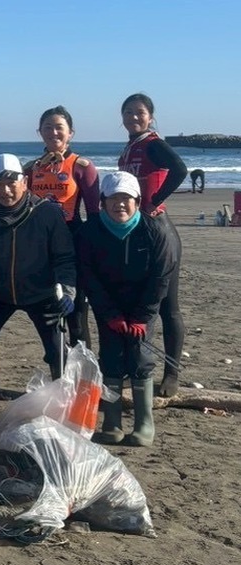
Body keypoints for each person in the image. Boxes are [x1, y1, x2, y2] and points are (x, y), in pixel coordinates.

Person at [0, 154, 76, 433]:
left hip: (42, 292)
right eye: (0, 184)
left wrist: (67, 290)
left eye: (13, 183)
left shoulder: (46, 212)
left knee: (58, 352)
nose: (7, 190)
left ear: (25, 182)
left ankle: (66, 414)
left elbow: (64, 256)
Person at [78, 172, 175, 446]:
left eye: (126, 199)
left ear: (137, 201)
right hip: (109, 303)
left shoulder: (154, 230)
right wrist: (110, 315)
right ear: (103, 201)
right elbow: (88, 276)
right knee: (110, 356)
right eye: (113, 199)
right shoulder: (90, 231)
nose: (120, 205)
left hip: (142, 303)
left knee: (140, 356)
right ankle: (112, 423)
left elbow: (161, 277)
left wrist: (142, 318)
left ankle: (144, 425)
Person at [118, 93, 188, 397]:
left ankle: (171, 373)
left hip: (159, 231)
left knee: (167, 307)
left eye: (140, 112)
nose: (134, 117)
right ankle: (133, 366)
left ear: (151, 116)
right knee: (136, 303)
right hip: (134, 231)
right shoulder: (131, 146)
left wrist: (155, 201)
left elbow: (180, 170)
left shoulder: (153, 144)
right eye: (128, 112)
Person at [24, 106, 100, 348]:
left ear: (71, 133)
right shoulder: (31, 168)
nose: (53, 132)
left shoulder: (82, 166)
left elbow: (95, 215)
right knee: (48, 314)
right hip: (40, 245)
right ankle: (60, 374)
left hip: (72, 240)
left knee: (76, 316)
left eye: (59, 127)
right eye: (47, 127)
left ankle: (84, 378)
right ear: (40, 132)